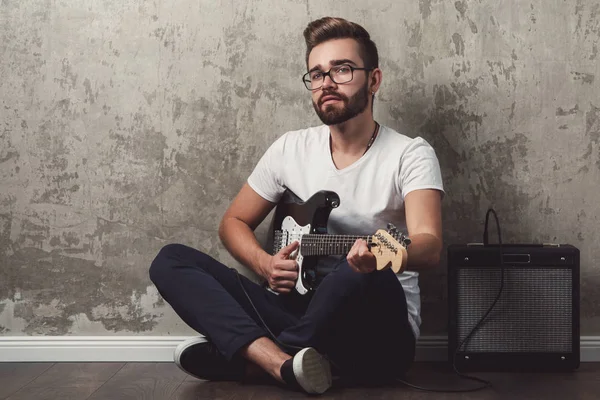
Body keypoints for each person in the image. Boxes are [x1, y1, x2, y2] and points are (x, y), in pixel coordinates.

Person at [149, 16, 444, 395]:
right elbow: (234, 222)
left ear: (374, 80)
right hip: (297, 310)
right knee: (171, 260)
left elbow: (429, 245)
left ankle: (253, 354)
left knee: (359, 273)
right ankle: (286, 365)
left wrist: (375, 255)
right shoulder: (290, 148)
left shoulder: (410, 154)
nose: (327, 84)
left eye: (342, 70)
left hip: (377, 337)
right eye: (317, 74)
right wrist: (265, 264)